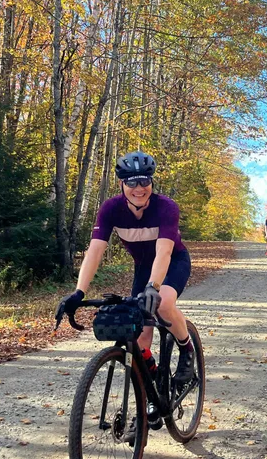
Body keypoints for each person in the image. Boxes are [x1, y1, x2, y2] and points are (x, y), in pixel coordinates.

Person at [54, 150, 195, 389]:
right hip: (144, 267)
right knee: (140, 335)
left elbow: (164, 252)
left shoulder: (166, 207)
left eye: (144, 181)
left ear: (151, 182)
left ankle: (186, 349)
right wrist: (79, 292)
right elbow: (94, 251)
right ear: (121, 183)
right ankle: (151, 389)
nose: (138, 188)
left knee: (163, 303)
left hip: (173, 262)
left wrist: (153, 287)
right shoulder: (111, 209)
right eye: (131, 182)